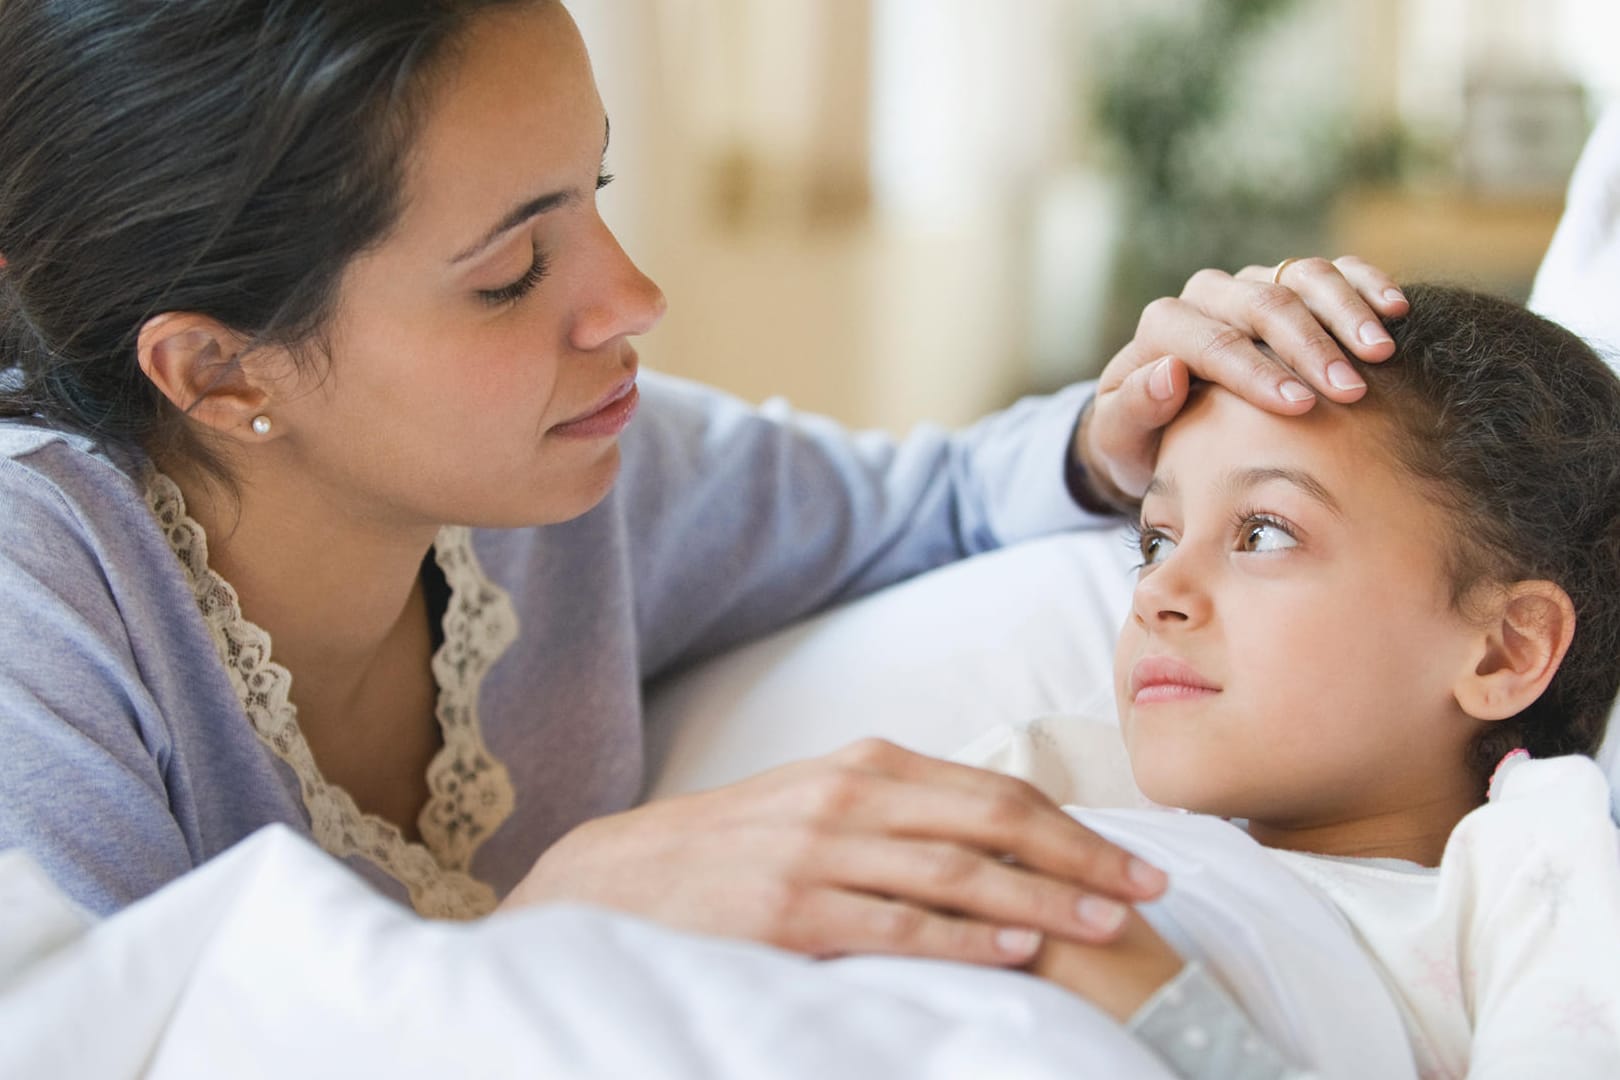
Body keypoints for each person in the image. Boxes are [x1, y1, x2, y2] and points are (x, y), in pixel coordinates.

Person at [0, 0, 1408, 965]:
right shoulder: (41, 602)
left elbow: (931, 507)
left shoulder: (590, 489)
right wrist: (567, 919)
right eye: (507, 276)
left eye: (596, 194)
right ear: (218, 372)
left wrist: (1130, 427)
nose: (636, 298)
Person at [1013, 284, 1620, 1078]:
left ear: (1503, 651)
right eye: (1157, 542)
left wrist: (1172, 1017)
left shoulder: (1526, 888)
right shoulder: (1061, 774)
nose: (1156, 593)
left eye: (1264, 532)